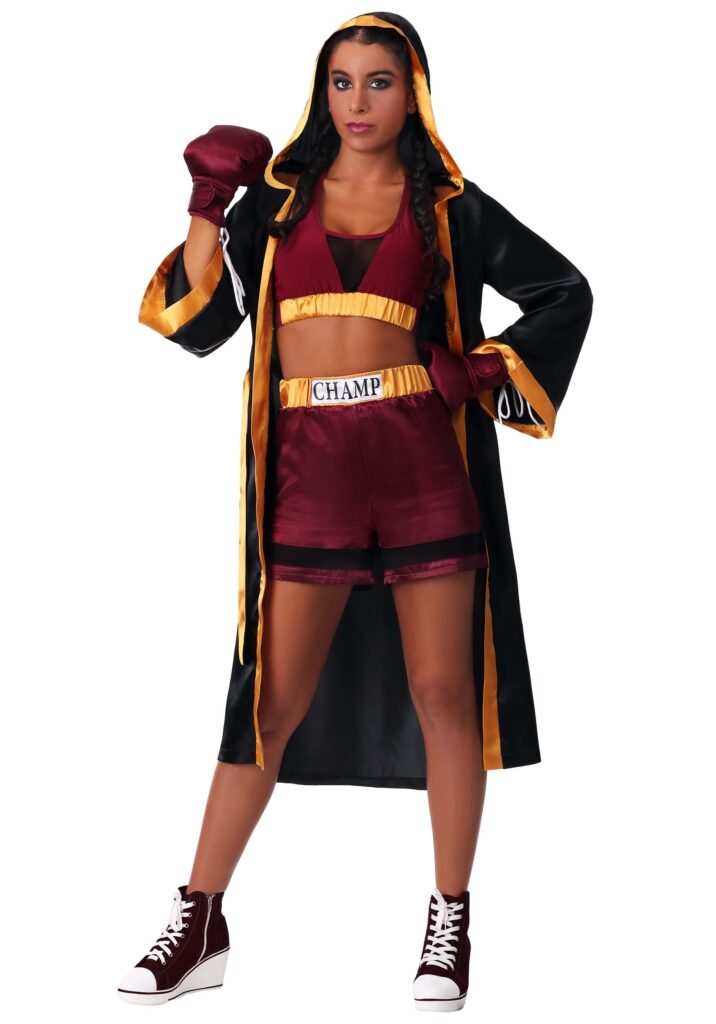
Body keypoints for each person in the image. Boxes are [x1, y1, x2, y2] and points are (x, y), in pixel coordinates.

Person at [121, 11, 593, 1011]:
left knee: (443, 692)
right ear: (319, 90)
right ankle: (200, 918)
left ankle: (448, 920)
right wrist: (207, 203)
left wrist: (479, 371)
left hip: (421, 461)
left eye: (379, 82)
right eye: (341, 81)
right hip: (311, 469)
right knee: (269, 701)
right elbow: (197, 323)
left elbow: (563, 290)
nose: (357, 102)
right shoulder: (276, 203)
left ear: (411, 93)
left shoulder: (450, 208)